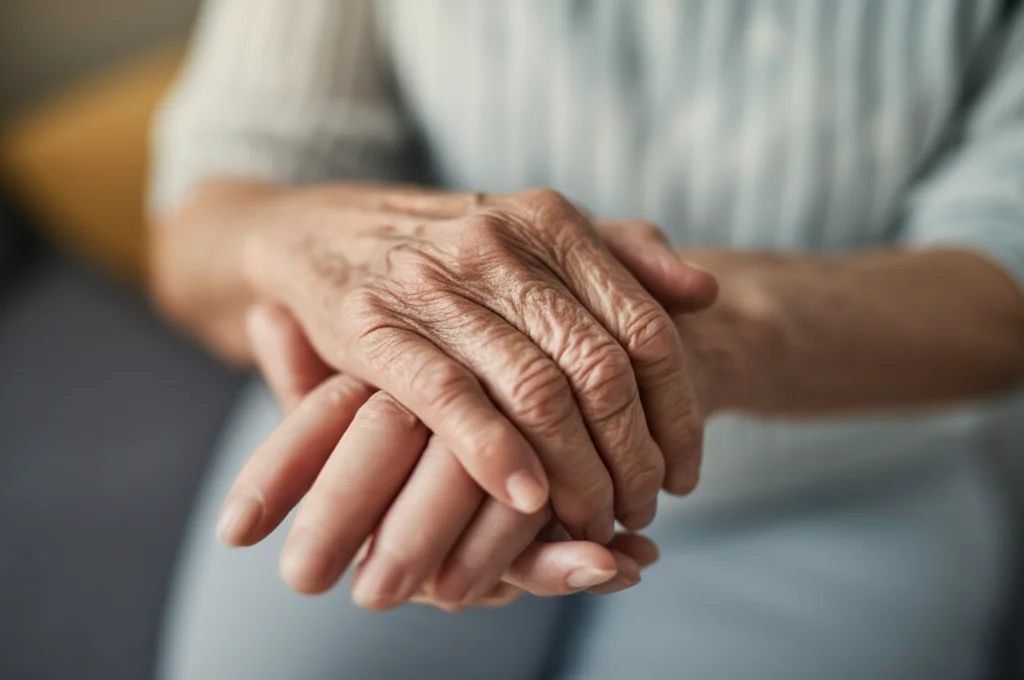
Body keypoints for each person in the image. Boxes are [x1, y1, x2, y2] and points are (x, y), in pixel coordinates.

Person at [148, 1, 1024, 678]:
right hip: (392, 435)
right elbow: (208, 219)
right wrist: (339, 255)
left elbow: (1002, 279)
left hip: (843, 475)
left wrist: (651, 350)